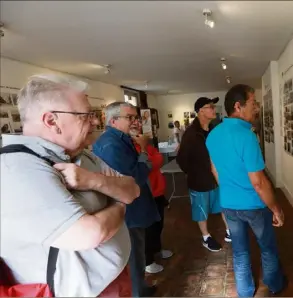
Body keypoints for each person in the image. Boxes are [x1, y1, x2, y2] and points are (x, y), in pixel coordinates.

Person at [0, 74, 140, 297]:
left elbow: (133, 189)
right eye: (85, 115)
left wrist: (94, 180)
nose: (95, 122)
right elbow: (90, 234)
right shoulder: (16, 169)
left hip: (113, 280)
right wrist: (119, 203)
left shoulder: (80, 154)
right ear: (51, 121)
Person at [206, 84, 286, 297]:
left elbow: (215, 170)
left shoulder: (213, 135)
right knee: (267, 248)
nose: (257, 107)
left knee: (240, 252)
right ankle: (275, 285)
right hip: (255, 206)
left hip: (229, 204)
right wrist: (276, 208)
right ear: (238, 106)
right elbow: (258, 182)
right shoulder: (247, 136)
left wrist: (230, 189)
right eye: (253, 102)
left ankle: (245, 291)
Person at [93, 102, 160, 297]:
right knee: (133, 257)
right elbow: (136, 176)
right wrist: (145, 149)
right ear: (113, 120)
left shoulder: (120, 139)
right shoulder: (111, 144)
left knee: (137, 254)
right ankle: (137, 292)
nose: (135, 122)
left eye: (135, 117)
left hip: (132, 206)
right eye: (129, 118)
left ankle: (140, 288)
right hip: (128, 210)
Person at [176, 97, 231, 252]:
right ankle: (206, 237)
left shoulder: (214, 129)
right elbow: (182, 159)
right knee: (201, 210)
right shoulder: (191, 134)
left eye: (213, 107)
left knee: (223, 205)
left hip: (216, 177)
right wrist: (195, 172)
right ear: (200, 111)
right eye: (210, 107)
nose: (214, 109)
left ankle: (229, 232)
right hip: (199, 180)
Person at [129, 110, 173, 274]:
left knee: (158, 225)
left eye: (137, 120)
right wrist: (146, 150)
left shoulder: (144, 143)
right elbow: (149, 164)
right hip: (146, 192)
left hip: (157, 191)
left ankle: (157, 250)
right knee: (147, 229)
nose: (137, 124)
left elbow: (158, 159)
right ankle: (148, 261)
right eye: (132, 120)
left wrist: (148, 151)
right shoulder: (133, 145)